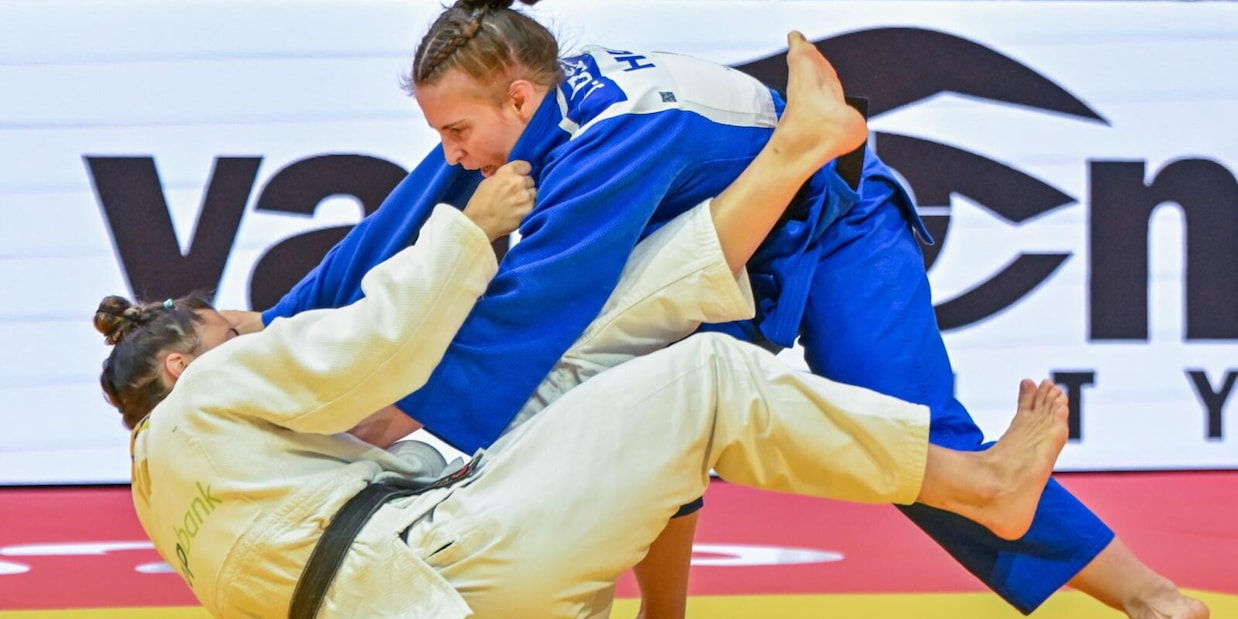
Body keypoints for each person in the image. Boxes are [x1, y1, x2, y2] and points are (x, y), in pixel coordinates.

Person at [257, 3, 1210, 618]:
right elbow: (395, 224)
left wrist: (387, 417)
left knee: (929, 442)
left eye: (458, 130)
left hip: (836, 228)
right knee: (648, 411)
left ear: (515, 95)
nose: (452, 151)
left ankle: (1154, 598)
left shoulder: (611, 141)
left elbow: (528, 312)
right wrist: (263, 338)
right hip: (733, 248)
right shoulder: (522, 99)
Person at [101, 61, 1072, 618]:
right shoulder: (209, 393)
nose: (257, 327)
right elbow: (376, 342)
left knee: (590, 356)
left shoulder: (164, 483)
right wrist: (466, 225)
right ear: (181, 362)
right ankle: (979, 484)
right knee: (695, 375)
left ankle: (784, 162)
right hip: (451, 559)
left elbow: (368, 340)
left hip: (424, 569)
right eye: (236, 326)